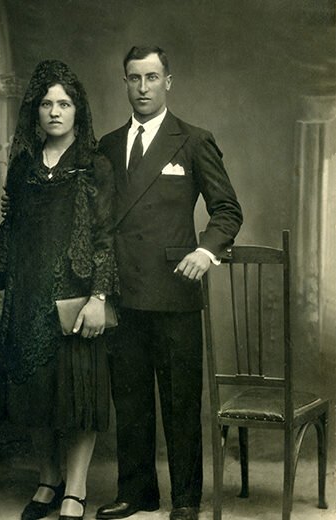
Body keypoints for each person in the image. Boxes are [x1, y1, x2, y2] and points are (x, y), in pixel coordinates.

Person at [0, 60, 119, 520]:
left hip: (75, 297)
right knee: (35, 394)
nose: (55, 112)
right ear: (35, 110)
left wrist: (99, 298)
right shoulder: (22, 167)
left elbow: (105, 237)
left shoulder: (94, 166)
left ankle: (76, 489)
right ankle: (48, 480)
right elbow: (9, 232)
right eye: (47, 104)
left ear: (78, 111)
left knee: (78, 397)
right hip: (28, 295)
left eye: (64, 104)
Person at [94, 46, 243, 520]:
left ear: (168, 82)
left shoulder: (194, 140)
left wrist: (206, 250)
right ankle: (137, 493)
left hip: (175, 292)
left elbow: (227, 210)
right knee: (130, 400)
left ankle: (185, 499)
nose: (143, 88)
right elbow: (96, 220)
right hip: (124, 292)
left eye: (152, 77)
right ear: (125, 83)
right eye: (134, 78)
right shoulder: (107, 146)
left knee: (181, 402)